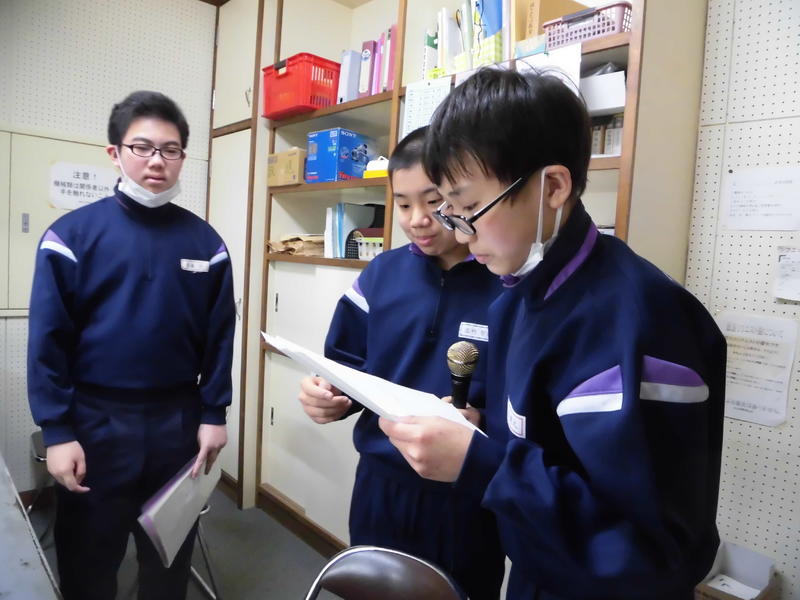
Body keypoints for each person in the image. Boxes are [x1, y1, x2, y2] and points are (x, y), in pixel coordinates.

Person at [379, 69, 726, 599]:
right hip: (539, 569)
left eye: (470, 209)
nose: (461, 233)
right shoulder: (517, 295)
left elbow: (650, 553)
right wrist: (480, 433)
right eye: (452, 211)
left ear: (554, 187)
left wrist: (482, 464)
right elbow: (544, 447)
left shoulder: (640, 323)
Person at [27, 91, 235, 600]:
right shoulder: (71, 237)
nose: (156, 161)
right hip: (95, 422)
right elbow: (48, 343)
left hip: (178, 422)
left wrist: (214, 413)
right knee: (88, 562)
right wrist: (57, 432)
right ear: (115, 153)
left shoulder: (207, 245)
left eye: (170, 149)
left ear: (183, 156)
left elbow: (220, 336)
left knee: (168, 561)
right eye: (142, 147)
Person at [298, 127, 506, 599]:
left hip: (465, 495)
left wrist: (484, 422)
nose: (417, 221)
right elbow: (345, 367)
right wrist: (328, 395)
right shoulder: (381, 274)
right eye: (404, 204)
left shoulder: (504, 281)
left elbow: (526, 402)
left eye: (433, 202)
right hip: (380, 485)